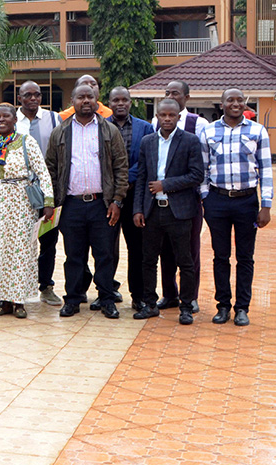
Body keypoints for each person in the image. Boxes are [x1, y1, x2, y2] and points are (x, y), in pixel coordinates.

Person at [44, 84, 129, 319]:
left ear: (97, 100)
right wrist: (53, 201)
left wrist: (117, 201)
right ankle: (72, 299)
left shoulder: (109, 131)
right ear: (72, 100)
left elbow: (121, 167)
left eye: (89, 97)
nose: (85, 101)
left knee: (104, 255)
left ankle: (107, 299)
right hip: (71, 204)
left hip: (102, 204)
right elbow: (50, 168)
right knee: (74, 256)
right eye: (80, 97)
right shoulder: (60, 132)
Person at [199, 88, 273, 326]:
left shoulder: (257, 131)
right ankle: (223, 306)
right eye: (230, 100)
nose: (235, 103)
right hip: (217, 201)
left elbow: (266, 170)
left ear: (245, 104)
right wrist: (205, 199)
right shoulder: (208, 131)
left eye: (240, 100)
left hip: (246, 201)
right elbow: (202, 169)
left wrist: (266, 205)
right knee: (220, 256)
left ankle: (242, 307)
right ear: (222, 104)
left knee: (245, 257)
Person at [133, 99, 204, 325]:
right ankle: (150, 304)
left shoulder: (190, 141)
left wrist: (166, 184)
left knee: (185, 261)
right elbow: (142, 178)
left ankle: (186, 306)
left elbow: (196, 175)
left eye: (171, 115)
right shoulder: (148, 142)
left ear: (178, 117)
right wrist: (138, 209)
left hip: (180, 211)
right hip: (152, 211)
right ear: (156, 116)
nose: (166, 119)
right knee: (148, 260)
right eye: (162, 115)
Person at [0, 103, 55, 319]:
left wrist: (48, 202)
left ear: (15, 119)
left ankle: (19, 300)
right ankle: (2, 300)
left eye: (6, 116)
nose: (1, 120)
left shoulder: (26, 142)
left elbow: (42, 171)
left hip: (21, 202)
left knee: (20, 250)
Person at [153, 80, 209, 314]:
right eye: (167, 92)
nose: (171, 95)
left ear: (187, 97)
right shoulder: (156, 122)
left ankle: (191, 296)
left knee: (189, 250)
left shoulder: (199, 123)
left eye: (175, 93)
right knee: (166, 251)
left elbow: (203, 165)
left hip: (188, 200)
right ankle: (169, 294)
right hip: (162, 202)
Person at [15, 81, 64, 307]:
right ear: (20, 97)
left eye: (37, 94)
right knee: (20, 242)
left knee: (48, 241)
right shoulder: (11, 120)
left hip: (48, 191)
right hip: (19, 194)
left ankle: (45, 286)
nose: (33, 98)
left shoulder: (54, 119)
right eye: (28, 95)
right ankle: (19, 288)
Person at [108, 87, 155, 311]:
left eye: (124, 100)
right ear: (108, 102)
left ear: (130, 102)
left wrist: (125, 180)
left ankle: (139, 295)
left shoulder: (145, 128)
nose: (120, 103)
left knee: (137, 249)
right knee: (106, 248)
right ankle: (106, 292)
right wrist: (116, 184)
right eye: (115, 100)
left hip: (135, 196)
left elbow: (147, 160)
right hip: (108, 198)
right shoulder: (101, 127)